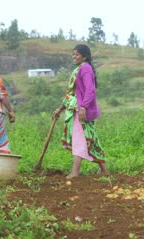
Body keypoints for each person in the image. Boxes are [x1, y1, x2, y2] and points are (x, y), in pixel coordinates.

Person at [53, 44, 108, 179]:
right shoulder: (80, 69)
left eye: (76, 54)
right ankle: (104, 170)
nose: (74, 56)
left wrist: (83, 107)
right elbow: (72, 94)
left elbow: (90, 90)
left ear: (85, 56)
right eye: (73, 54)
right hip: (78, 108)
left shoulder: (85, 69)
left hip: (82, 111)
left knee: (80, 138)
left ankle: (75, 171)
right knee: (90, 138)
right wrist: (60, 108)